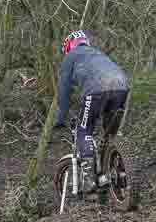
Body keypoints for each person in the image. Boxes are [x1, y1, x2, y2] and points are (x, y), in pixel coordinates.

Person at [53, 30, 130, 190]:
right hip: (121, 86)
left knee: (84, 130)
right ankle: (117, 171)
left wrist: (60, 119)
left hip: (96, 89)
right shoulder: (98, 54)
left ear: (69, 46)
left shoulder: (71, 57)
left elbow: (64, 91)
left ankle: (89, 181)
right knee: (110, 134)